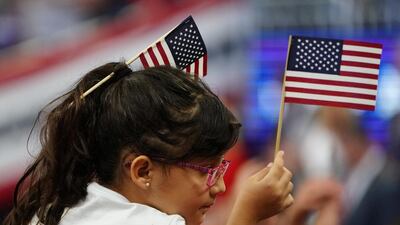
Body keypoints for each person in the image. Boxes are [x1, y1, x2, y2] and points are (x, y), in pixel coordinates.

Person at [3, 63, 293, 225]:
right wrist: (249, 213)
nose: (220, 186)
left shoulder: (74, 204)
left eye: (220, 168)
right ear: (143, 171)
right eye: (206, 171)